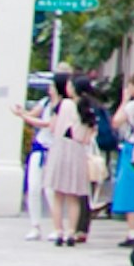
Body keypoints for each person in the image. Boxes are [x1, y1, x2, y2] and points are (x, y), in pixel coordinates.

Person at [37, 88, 93, 247]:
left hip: (61, 148)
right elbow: (87, 139)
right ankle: (71, 232)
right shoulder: (87, 110)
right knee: (73, 196)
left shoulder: (65, 104)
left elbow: (54, 128)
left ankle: (59, 231)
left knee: (58, 195)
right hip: (78, 152)